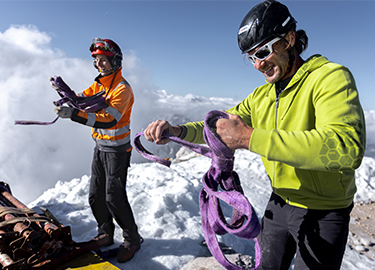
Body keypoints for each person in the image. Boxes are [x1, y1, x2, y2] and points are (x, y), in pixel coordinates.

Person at [143, 1, 366, 269]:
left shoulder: (330, 78)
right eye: (251, 57)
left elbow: (345, 148)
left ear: (289, 39)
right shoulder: (261, 96)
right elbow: (220, 126)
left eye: (263, 51)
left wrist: (249, 138)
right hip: (280, 202)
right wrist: (177, 131)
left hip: (325, 211)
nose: (258, 64)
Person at [53, 38, 141, 263]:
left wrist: (73, 115)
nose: (99, 64)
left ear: (115, 61)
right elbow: (82, 99)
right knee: (95, 196)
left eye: (103, 60)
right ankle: (105, 233)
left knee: (114, 197)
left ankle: (132, 239)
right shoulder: (101, 85)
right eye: (97, 60)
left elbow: (109, 120)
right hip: (101, 148)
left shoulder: (122, 89)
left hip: (117, 152)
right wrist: (68, 98)